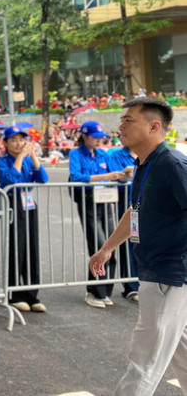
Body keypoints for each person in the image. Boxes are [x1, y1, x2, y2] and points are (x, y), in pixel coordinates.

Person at [90, 98, 187, 396]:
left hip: (168, 274)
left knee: (145, 359)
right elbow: (135, 211)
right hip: (157, 270)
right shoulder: (144, 163)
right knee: (181, 351)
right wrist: (107, 248)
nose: (120, 126)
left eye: (128, 120)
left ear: (154, 126)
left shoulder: (172, 164)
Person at [69, 121, 132, 309]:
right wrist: (107, 177)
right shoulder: (75, 154)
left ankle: (105, 291)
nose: (98, 141)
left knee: (111, 245)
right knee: (98, 245)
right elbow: (77, 177)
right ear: (85, 136)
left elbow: (115, 175)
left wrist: (124, 175)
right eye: (94, 137)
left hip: (106, 201)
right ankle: (94, 291)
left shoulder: (104, 154)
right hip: (89, 202)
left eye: (100, 138)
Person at [0, 127, 49, 312]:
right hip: (12, 204)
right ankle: (14, 294)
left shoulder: (27, 160)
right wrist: (19, 158)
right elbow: (10, 179)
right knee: (15, 249)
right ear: (6, 143)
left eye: (21, 140)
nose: (19, 144)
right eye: (14, 140)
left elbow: (43, 179)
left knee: (31, 248)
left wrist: (33, 156)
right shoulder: (2, 161)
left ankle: (32, 295)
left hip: (28, 204)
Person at [106, 144, 139, 301]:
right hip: (129, 204)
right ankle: (131, 286)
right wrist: (126, 176)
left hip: (149, 204)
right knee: (131, 242)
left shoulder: (148, 153)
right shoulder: (116, 156)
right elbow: (114, 179)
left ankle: (147, 283)